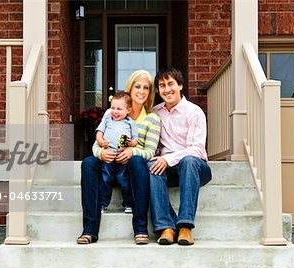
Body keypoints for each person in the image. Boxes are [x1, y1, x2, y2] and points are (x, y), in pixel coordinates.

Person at [77, 70, 161, 245]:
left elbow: (150, 152)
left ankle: (140, 229)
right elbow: (96, 144)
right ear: (130, 88)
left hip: (129, 171)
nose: (141, 91)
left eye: (146, 87)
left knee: (138, 161)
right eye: (137, 86)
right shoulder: (112, 112)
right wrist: (102, 153)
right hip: (108, 164)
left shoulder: (153, 119)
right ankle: (89, 230)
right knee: (88, 163)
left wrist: (132, 152)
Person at [149, 67, 212, 246]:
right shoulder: (155, 112)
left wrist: (167, 159)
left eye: (171, 84)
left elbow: (197, 149)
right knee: (150, 167)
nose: (167, 89)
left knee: (189, 160)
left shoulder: (194, 112)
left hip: (196, 168)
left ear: (180, 86)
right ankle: (166, 226)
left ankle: (185, 227)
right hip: (169, 168)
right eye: (162, 86)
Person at [95, 91, 138, 213]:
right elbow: (99, 133)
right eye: (112, 107)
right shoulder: (107, 120)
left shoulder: (131, 123)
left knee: (123, 179)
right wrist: (101, 141)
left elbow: (135, 141)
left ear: (128, 110)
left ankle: (128, 203)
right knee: (105, 178)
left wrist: (130, 144)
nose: (115, 111)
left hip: (122, 158)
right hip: (108, 156)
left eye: (119, 109)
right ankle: (103, 204)